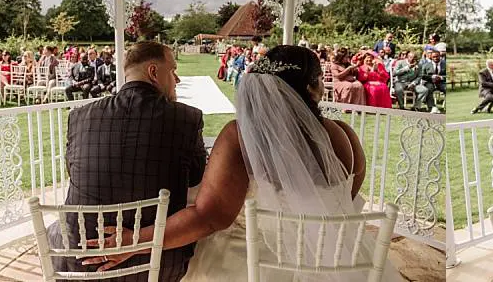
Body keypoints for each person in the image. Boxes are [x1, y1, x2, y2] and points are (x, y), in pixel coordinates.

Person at [82, 45, 403, 281]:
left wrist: (135, 240)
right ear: (315, 87)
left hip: (257, 266)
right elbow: (342, 201)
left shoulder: (241, 137)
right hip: (339, 261)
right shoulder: (345, 136)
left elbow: (209, 217)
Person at [48, 41, 205, 282]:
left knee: (55, 229)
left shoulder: (79, 116)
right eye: (173, 71)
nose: (177, 79)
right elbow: (195, 177)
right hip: (156, 266)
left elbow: (74, 170)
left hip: (78, 262)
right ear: (154, 72)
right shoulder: (185, 118)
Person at [416, 45, 450, 113]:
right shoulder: (426, 65)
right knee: (429, 89)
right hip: (429, 82)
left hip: (441, 82)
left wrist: (441, 77)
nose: (435, 58)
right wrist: (431, 77)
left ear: (440, 56)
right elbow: (421, 75)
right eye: (434, 57)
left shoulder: (445, 64)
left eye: (437, 56)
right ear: (431, 57)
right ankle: (432, 107)